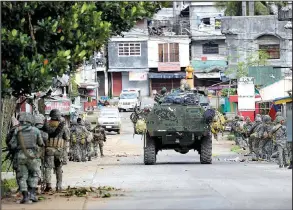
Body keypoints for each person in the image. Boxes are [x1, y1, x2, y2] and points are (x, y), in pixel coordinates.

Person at [9, 112, 44, 203]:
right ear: (31, 120)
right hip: (32, 156)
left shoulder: (17, 130)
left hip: (20, 156)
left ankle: (25, 197)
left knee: (22, 177)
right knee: (34, 174)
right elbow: (40, 143)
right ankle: (32, 194)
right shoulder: (36, 130)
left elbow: (12, 145)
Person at [42, 109, 69, 192]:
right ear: (58, 116)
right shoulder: (63, 126)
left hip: (48, 150)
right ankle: (59, 186)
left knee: (48, 168)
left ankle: (48, 186)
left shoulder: (46, 126)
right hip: (59, 151)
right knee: (58, 168)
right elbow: (67, 138)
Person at [33, 114, 48, 190]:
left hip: (32, 152)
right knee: (43, 166)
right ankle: (42, 179)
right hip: (42, 151)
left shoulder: (32, 130)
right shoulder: (44, 131)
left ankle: (36, 181)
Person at [5, 116, 20, 192]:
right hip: (29, 154)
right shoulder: (31, 129)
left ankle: (21, 187)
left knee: (18, 169)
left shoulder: (13, 130)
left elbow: (8, 141)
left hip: (16, 153)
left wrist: (11, 149)